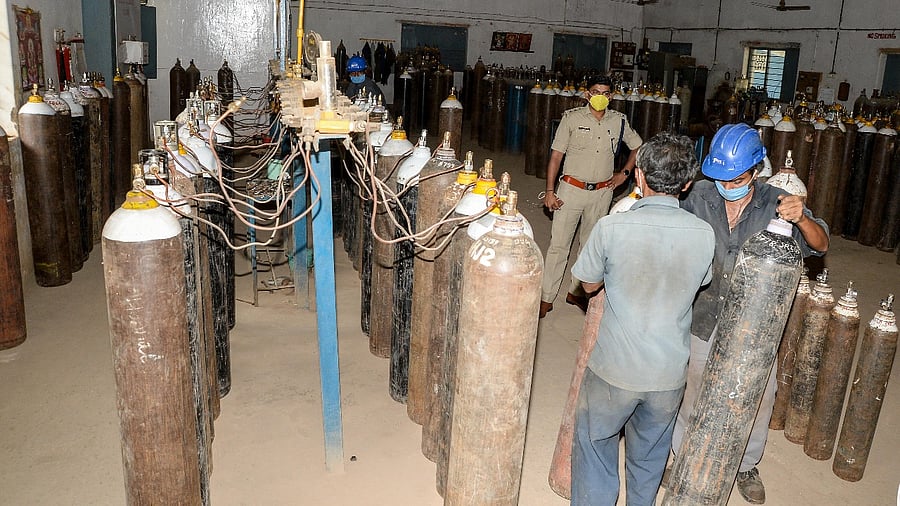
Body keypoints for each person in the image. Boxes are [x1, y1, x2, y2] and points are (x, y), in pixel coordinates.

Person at [671, 123, 829, 504]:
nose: (727, 185)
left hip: (756, 328)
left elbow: (821, 244)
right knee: (691, 390)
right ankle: (681, 455)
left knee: (757, 397)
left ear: (756, 171)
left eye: (736, 178)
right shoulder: (699, 195)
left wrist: (802, 217)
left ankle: (745, 464)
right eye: (720, 177)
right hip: (704, 314)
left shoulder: (779, 202)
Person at [570, 132, 715, 505]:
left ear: (639, 177)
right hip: (668, 375)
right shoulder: (704, 234)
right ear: (687, 184)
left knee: (595, 446)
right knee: (650, 457)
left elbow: (587, 285)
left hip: (613, 371)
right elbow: (701, 281)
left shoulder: (611, 227)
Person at [539, 76, 642, 318]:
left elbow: (637, 147)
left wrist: (625, 173)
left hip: (602, 193)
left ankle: (576, 292)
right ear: (587, 94)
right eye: (596, 91)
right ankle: (546, 297)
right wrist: (550, 191)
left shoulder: (619, 121)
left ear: (611, 97)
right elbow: (555, 156)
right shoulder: (572, 118)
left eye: (605, 93)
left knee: (589, 246)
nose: (600, 97)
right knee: (559, 246)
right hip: (570, 190)